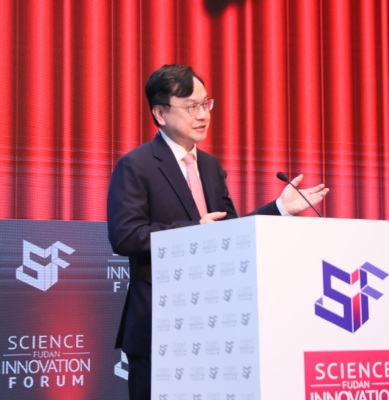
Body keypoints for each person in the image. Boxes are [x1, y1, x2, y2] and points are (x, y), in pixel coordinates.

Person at [107, 64, 329, 400]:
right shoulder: (136, 165)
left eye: (205, 104)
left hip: (215, 326)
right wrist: (193, 233)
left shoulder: (210, 165)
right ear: (160, 113)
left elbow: (231, 233)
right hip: (160, 324)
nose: (202, 115)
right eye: (190, 107)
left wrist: (280, 208)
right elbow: (125, 236)